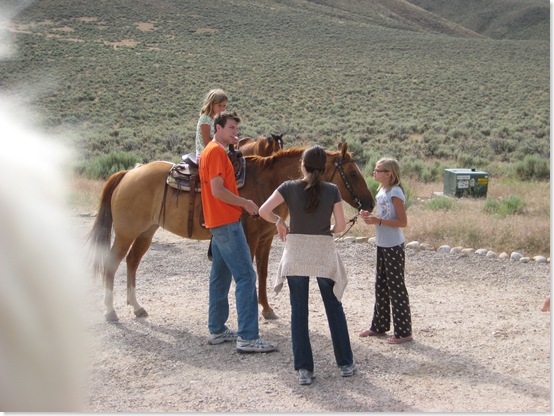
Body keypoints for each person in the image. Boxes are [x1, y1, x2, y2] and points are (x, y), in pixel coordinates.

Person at [259, 145, 355, 385]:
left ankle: (304, 369)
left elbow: (263, 210)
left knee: (298, 310)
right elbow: (340, 226)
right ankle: (345, 363)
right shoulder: (332, 190)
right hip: (323, 252)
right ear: (323, 168)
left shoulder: (288, 187)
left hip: (296, 253)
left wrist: (280, 221)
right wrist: (327, 228)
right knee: (333, 306)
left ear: (302, 164)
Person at [199, 110, 277, 354]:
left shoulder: (212, 151)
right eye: (231, 128)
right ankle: (248, 337)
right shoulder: (216, 152)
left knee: (220, 276)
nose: (236, 132)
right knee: (246, 276)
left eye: (236, 128)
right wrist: (245, 203)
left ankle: (217, 330)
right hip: (226, 222)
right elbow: (217, 190)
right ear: (218, 128)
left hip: (218, 222)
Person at [358, 157, 413, 344]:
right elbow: (384, 215)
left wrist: (378, 221)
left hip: (393, 245)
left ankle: (404, 332)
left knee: (396, 287)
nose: (374, 172)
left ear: (389, 173)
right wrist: (370, 217)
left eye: (378, 170)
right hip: (382, 244)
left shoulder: (395, 192)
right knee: (381, 285)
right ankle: (379, 325)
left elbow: (402, 222)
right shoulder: (382, 190)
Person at [195, 88, 228, 160]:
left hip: (216, 153)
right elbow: (207, 143)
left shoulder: (219, 120)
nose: (222, 109)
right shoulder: (205, 119)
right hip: (205, 155)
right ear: (211, 105)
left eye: (224, 106)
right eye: (219, 105)